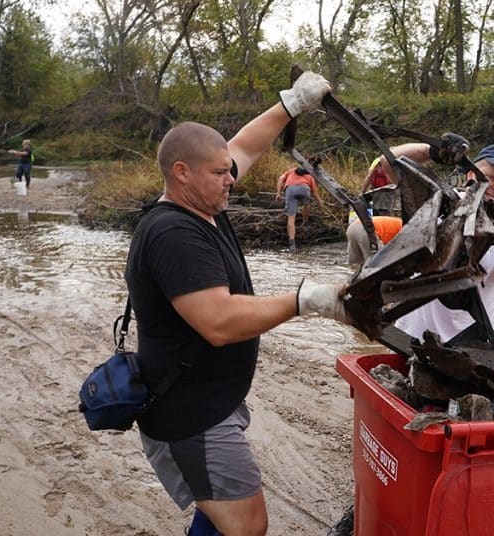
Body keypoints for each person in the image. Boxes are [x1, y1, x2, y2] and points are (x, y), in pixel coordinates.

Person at [125, 71, 352, 536]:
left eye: (228, 169)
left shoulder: (205, 200)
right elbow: (219, 322)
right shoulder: (173, 233)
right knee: (246, 526)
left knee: (220, 517)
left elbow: (245, 146)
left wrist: (290, 103)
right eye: (218, 173)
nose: (231, 179)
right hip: (190, 413)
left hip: (209, 400)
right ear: (180, 173)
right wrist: (306, 301)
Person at [387, 142, 494, 343]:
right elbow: (388, 164)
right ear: (471, 174)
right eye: (491, 178)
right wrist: (432, 151)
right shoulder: (440, 201)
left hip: (472, 346)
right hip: (411, 335)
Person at [275, 165, 323, 252]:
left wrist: (278, 193)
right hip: (304, 188)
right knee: (307, 203)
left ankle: (292, 244)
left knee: (291, 217)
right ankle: (305, 221)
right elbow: (315, 193)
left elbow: (280, 179)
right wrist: (320, 202)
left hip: (290, 189)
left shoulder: (290, 171)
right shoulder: (309, 175)